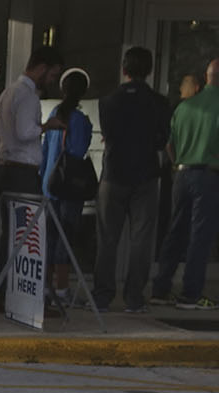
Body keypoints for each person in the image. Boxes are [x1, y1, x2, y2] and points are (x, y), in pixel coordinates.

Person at [95, 46, 171, 314]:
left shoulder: (108, 101)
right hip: (145, 176)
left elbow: (108, 135)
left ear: (124, 69)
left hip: (114, 174)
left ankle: (102, 295)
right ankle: (134, 298)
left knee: (107, 238)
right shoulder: (159, 102)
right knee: (141, 240)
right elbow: (162, 139)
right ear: (149, 70)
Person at [155, 66, 219, 309]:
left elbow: (169, 146)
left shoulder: (185, 106)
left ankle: (161, 289)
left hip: (182, 174)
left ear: (207, 77)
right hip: (209, 175)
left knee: (176, 232)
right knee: (200, 237)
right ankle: (190, 294)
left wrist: (179, 164)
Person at [41, 71, 94, 308]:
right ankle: (61, 290)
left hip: (50, 183)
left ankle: (46, 287)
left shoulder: (54, 114)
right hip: (69, 186)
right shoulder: (80, 120)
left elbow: (45, 150)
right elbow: (78, 151)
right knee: (65, 237)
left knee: (50, 237)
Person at [0, 45, 66, 197]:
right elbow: (25, 132)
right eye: (52, 75)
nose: (52, 81)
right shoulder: (28, 96)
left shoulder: (9, 91)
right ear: (42, 68)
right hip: (22, 173)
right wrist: (48, 126)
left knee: (9, 219)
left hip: (5, 167)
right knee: (27, 219)